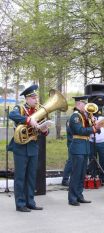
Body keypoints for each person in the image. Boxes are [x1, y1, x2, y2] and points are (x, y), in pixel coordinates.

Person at [8, 84, 49, 212]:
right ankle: (20, 204)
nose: (36, 100)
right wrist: (28, 120)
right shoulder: (19, 108)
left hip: (33, 146)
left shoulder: (38, 111)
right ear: (26, 99)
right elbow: (12, 115)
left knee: (31, 176)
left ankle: (30, 201)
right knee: (20, 176)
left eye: (36, 97)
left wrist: (44, 129)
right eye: (33, 98)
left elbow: (43, 131)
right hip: (20, 147)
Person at [68, 95, 101, 206]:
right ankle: (72, 198)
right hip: (78, 147)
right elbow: (79, 130)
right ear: (78, 104)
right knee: (76, 174)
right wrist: (92, 128)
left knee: (82, 174)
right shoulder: (75, 116)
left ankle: (79, 195)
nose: (86, 106)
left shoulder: (85, 116)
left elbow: (94, 130)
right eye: (84, 103)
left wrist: (95, 124)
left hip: (85, 146)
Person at [89, 115, 104, 184]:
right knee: (92, 160)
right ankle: (93, 176)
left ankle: (103, 178)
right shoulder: (89, 116)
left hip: (102, 142)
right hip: (91, 141)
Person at [61, 119, 73, 186]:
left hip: (77, 144)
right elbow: (70, 131)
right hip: (72, 143)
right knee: (70, 162)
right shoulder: (70, 120)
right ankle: (65, 180)